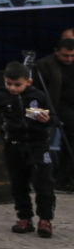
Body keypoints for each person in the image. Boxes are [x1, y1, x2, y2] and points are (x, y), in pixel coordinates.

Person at [0, 62, 56, 237]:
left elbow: (54, 118)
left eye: (17, 84)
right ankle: (25, 218)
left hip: (38, 146)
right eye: (8, 83)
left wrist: (47, 120)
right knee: (18, 185)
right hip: (13, 146)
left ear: (29, 81)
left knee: (44, 183)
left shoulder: (38, 96)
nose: (12, 88)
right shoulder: (0, 97)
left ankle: (45, 220)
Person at [35, 37, 74, 190]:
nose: (69, 59)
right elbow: (36, 91)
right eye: (65, 55)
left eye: (72, 55)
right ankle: (65, 177)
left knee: (69, 142)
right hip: (59, 107)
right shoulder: (44, 64)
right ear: (56, 52)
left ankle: (64, 177)